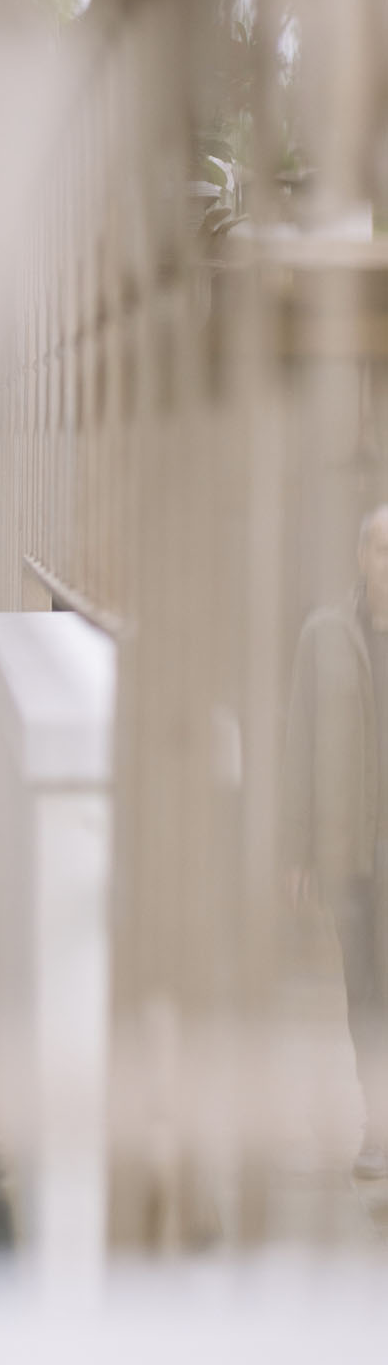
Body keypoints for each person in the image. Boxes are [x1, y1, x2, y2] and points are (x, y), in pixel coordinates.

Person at [285, 504, 388, 1181]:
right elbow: (301, 746)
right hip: (351, 850)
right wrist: (297, 849)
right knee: (365, 989)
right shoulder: (325, 635)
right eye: (382, 551)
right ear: (361, 557)